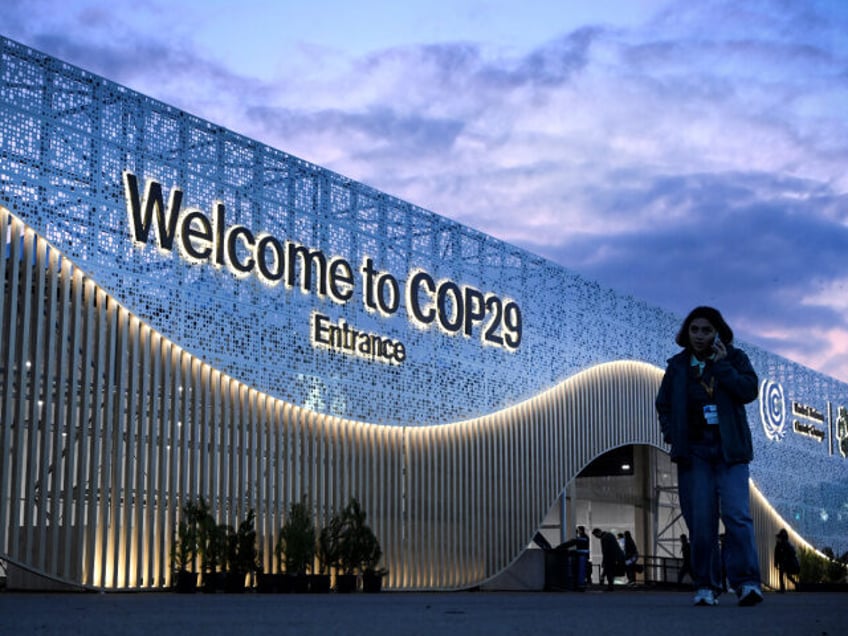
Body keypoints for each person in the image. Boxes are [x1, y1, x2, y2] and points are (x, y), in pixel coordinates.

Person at [655, 306, 764, 607]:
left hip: (730, 451)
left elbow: (748, 390)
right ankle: (706, 585)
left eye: (706, 330)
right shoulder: (678, 366)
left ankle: (747, 583)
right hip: (695, 452)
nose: (700, 336)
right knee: (701, 520)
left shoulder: (735, 357)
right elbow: (663, 404)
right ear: (686, 333)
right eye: (695, 330)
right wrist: (672, 434)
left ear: (718, 332)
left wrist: (722, 366)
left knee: (736, 515)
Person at [560, 526, 590, 590]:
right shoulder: (584, 537)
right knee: (580, 571)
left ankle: (580, 585)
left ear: (581, 530)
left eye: (578, 530)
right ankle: (580, 585)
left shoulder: (584, 537)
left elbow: (575, 542)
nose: (578, 531)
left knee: (580, 571)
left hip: (582, 556)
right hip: (583, 555)